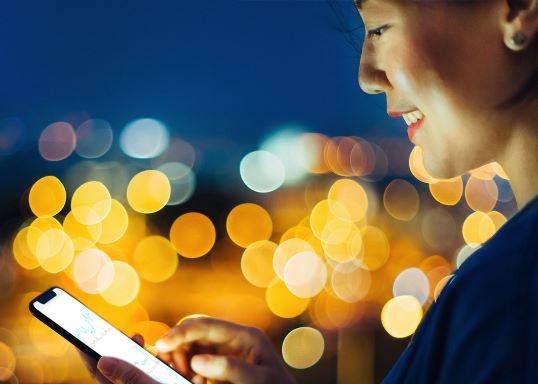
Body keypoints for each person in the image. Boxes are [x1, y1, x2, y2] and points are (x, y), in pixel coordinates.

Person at [82, 0, 538, 382]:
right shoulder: (501, 287)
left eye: (379, 26)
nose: (365, 74)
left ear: (518, 9)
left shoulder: (508, 300)